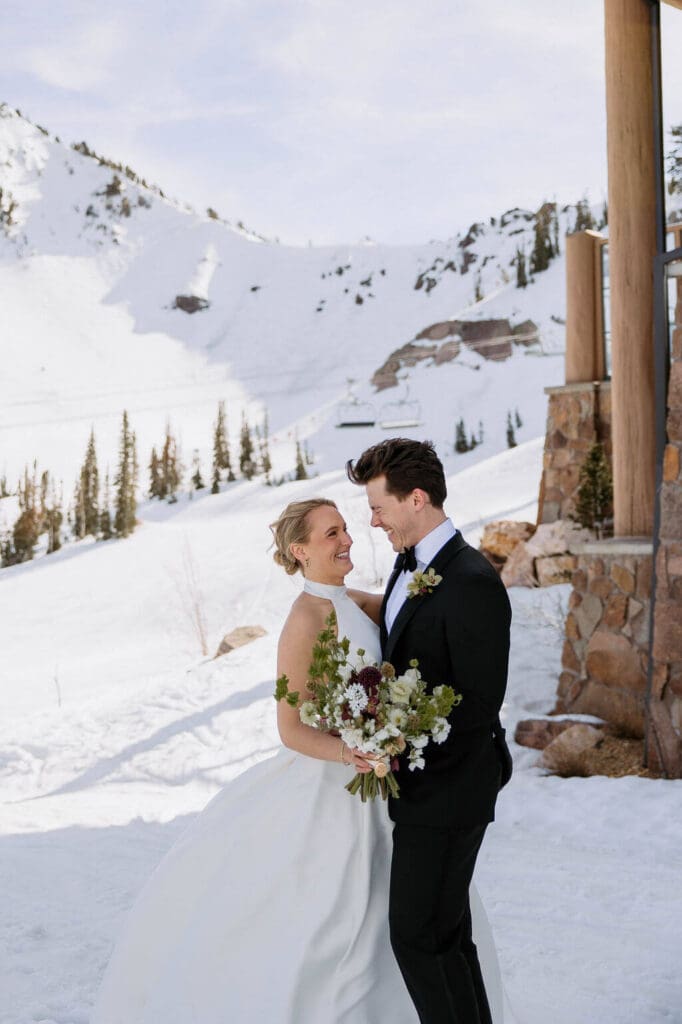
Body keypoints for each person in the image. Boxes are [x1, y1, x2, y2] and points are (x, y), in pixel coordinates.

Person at [90, 497, 504, 1023]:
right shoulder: (304, 619)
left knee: (413, 916)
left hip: (386, 787)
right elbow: (289, 728)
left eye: (346, 529)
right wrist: (351, 749)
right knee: (334, 923)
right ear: (300, 551)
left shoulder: (352, 600)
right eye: (331, 534)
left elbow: (417, 609)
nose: (347, 540)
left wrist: (448, 576)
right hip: (336, 785)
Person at [347, 438, 512, 1024]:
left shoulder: (470, 579)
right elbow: (403, 631)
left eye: (378, 507)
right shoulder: (409, 563)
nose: (372, 520)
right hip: (424, 789)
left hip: (451, 788)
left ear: (416, 498)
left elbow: (478, 702)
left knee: (418, 936)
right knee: (444, 936)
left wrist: (398, 736)